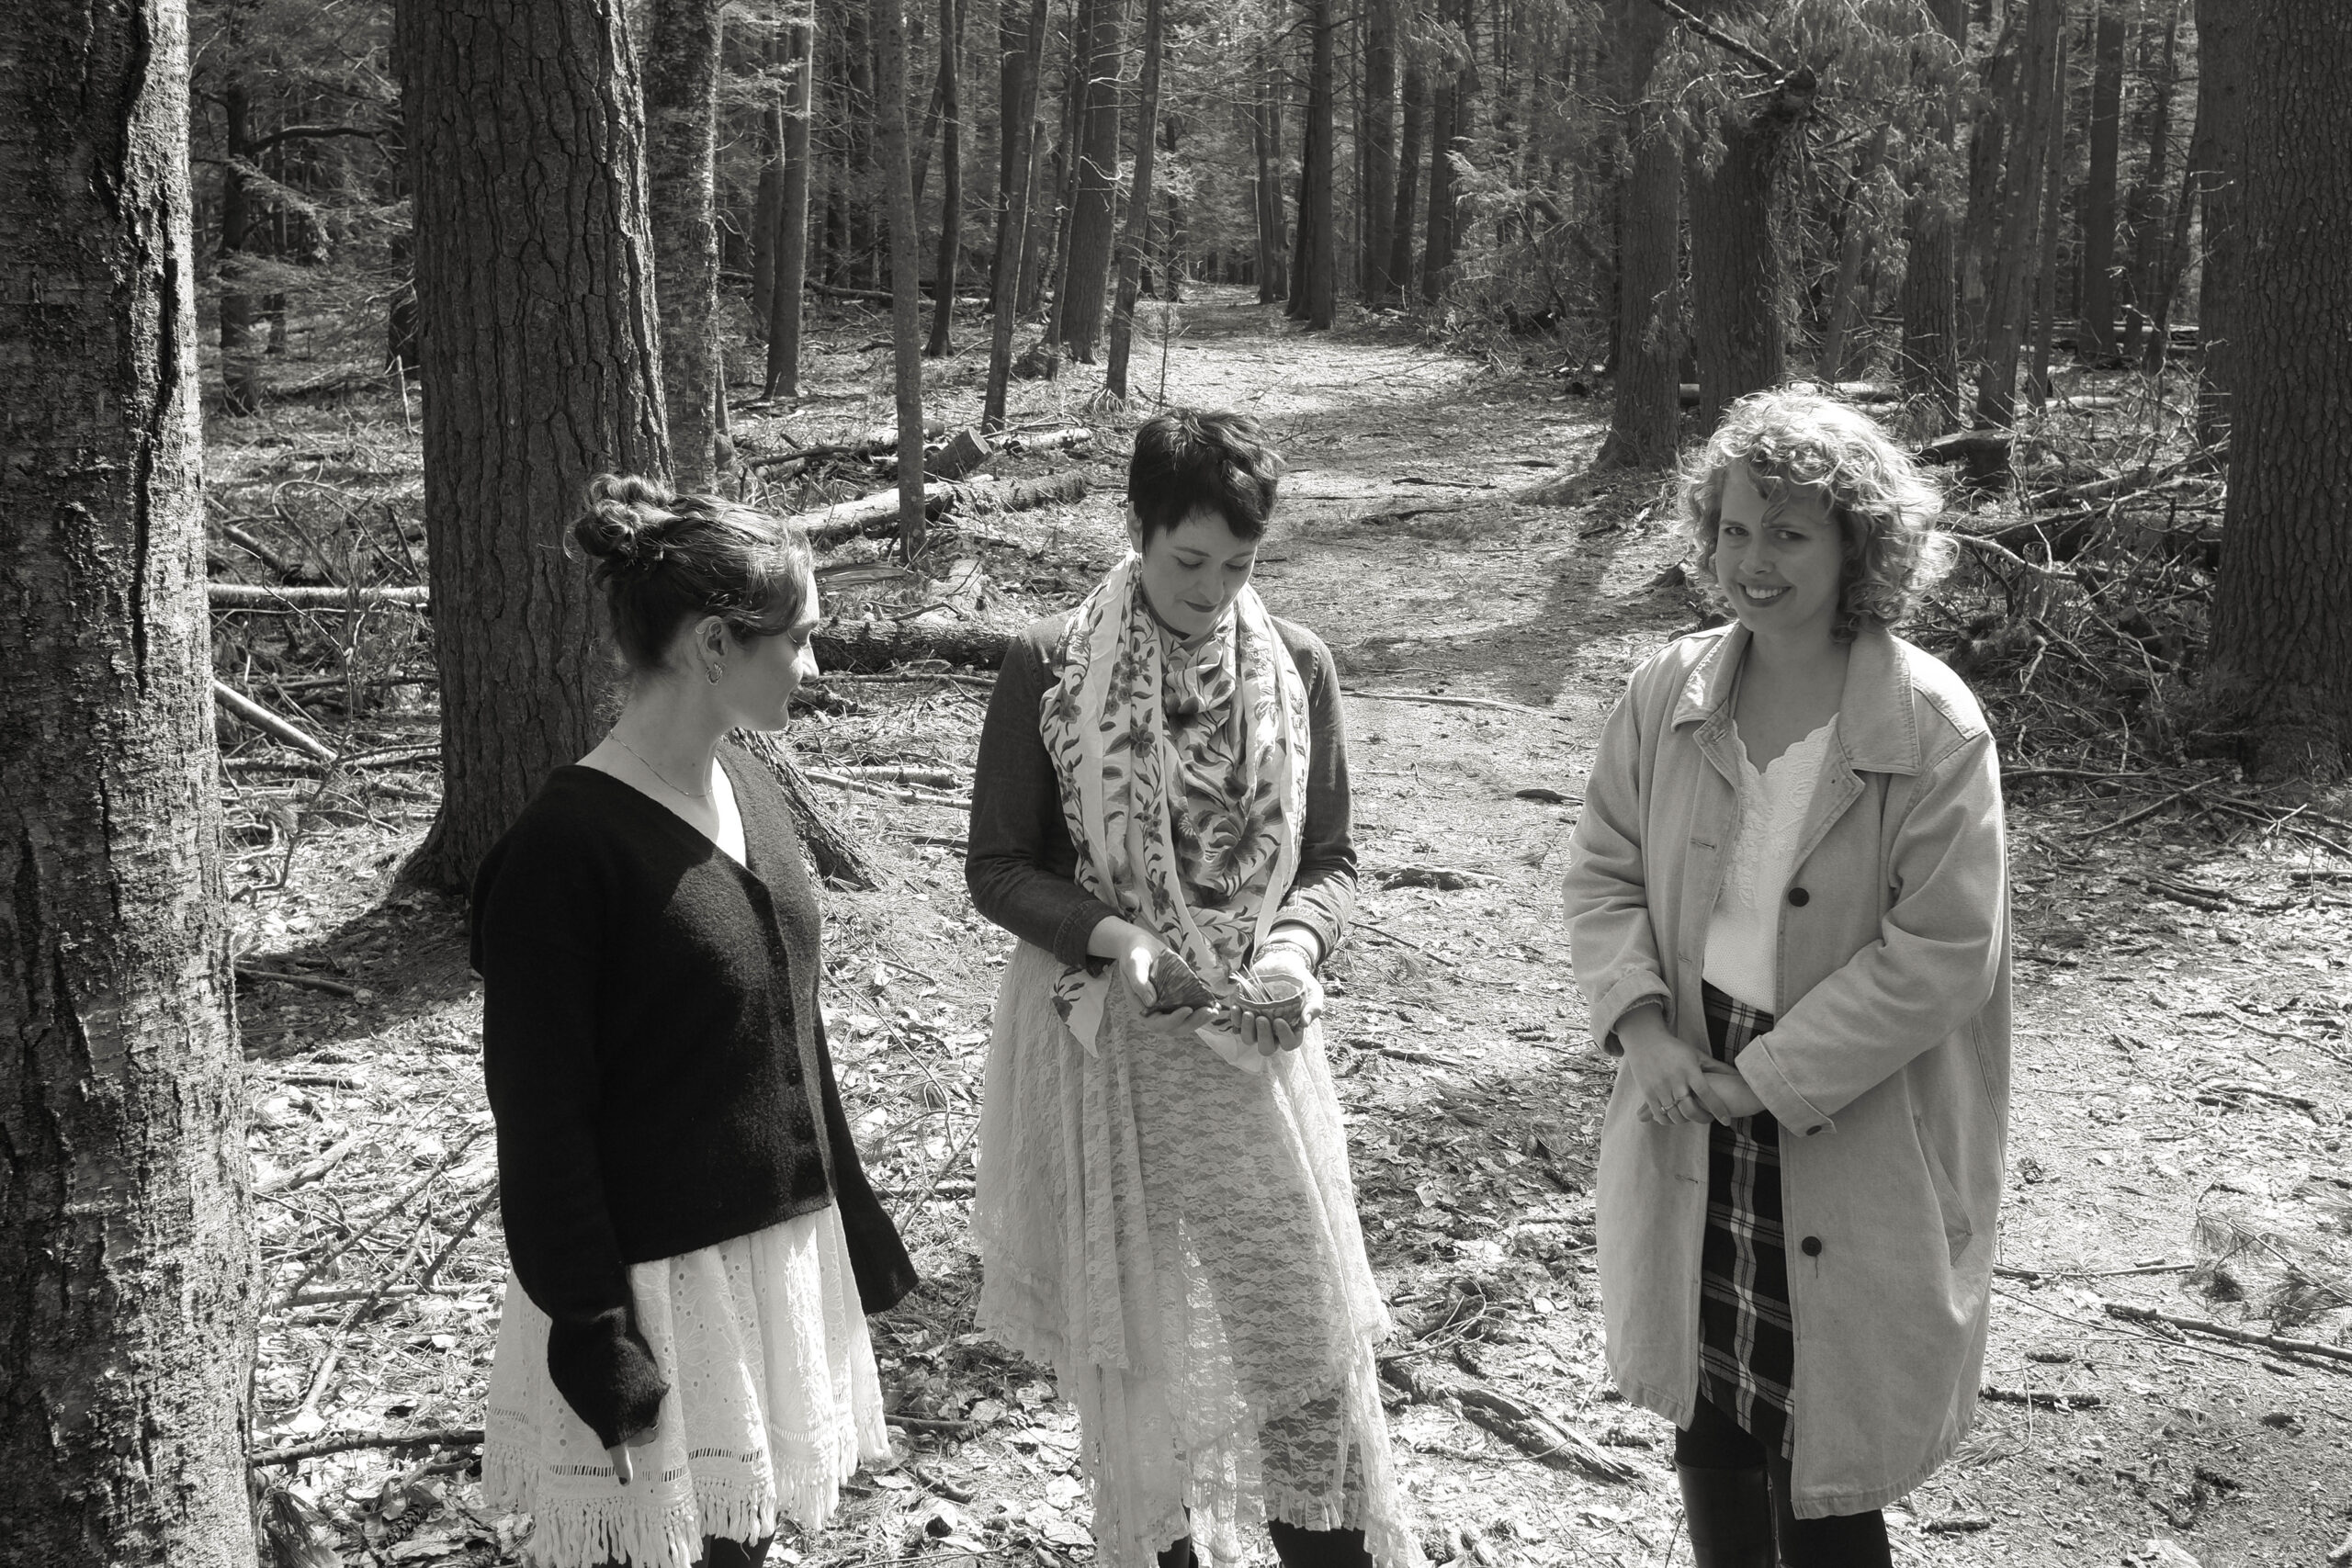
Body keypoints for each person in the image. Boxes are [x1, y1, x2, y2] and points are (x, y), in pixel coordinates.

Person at [965, 410, 1420, 1568]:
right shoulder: (1048, 661)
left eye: (1240, 565)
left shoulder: (1298, 664)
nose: (1213, 590)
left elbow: (1329, 861)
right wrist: (1115, 939)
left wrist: (1294, 953)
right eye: (1188, 562)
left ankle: (1325, 1548)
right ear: (1134, 526)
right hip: (1104, 1041)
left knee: (1299, 1332)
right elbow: (999, 865)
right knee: (1141, 1354)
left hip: (1252, 1048)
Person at [1562, 389, 2009, 1568]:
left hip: (1848, 1119)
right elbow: (1602, 869)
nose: (1753, 563)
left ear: (1860, 547)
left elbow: (1943, 955)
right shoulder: (1670, 691)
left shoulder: (1931, 725)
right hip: (1684, 1088)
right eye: (1736, 529)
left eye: (1791, 535)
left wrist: (1769, 1076)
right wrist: (1644, 1030)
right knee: (1711, 1413)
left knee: (1825, 1442)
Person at [472, 476, 918, 1568]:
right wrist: (595, 1338)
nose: (811, 669)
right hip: (657, 1291)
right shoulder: (563, 852)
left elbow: (792, 1036)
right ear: (716, 644)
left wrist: (849, 1223)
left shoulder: (752, 797)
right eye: (799, 640)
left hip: (768, 1263)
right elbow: (540, 1124)